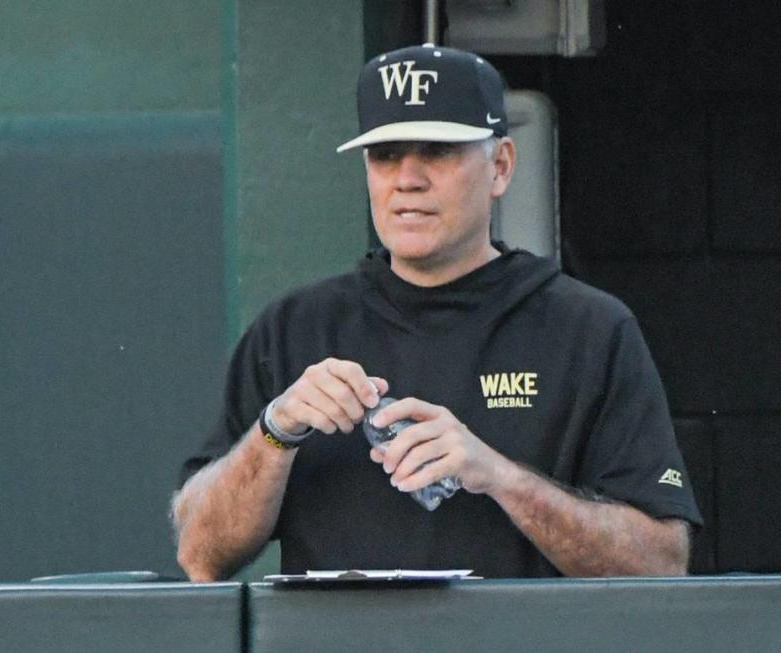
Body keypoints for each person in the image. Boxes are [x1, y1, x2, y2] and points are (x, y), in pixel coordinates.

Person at [172, 43, 702, 581]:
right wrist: (276, 431)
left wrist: (500, 476)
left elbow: (660, 563)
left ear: (500, 166)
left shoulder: (589, 330)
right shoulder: (293, 329)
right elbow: (199, 555)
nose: (408, 178)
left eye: (438, 150)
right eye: (386, 154)